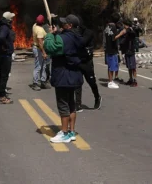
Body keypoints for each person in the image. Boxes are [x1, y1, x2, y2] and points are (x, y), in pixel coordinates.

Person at [44, 15, 83, 144]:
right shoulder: (77, 37)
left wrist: (50, 35)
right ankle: (72, 131)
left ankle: (64, 132)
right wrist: (58, 32)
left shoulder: (63, 39)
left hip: (63, 75)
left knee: (63, 105)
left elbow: (50, 48)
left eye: (65, 24)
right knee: (72, 104)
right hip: (74, 75)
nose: (62, 25)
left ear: (70, 26)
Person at [74, 16, 101, 111]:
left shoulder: (88, 33)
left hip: (87, 62)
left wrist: (74, 35)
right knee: (77, 83)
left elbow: (82, 42)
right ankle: (78, 104)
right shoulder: (75, 32)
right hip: (78, 61)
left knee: (91, 82)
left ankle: (97, 97)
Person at [0, 11, 15, 104]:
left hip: (3, 55)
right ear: (9, 19)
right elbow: (2, 37)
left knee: (2, 75)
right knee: (4, 76)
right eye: (12, 18)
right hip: (5, 56)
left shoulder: (2, 26)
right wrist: (6, 46)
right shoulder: (5, 27)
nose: (13, 20)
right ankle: (1, 96)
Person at [31, 14, 49, 91]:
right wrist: (44, 53)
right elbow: (40, 43)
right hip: (39, 49)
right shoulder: (40, 31)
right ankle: (35, 83)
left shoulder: (34, 25)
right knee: (38, 66)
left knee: (44, 66)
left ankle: (43, 81)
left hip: (38, 48)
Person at [103, 14, 121, 89]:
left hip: (108, 48)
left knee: (110, 66)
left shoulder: (107, 26)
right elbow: (114, 38)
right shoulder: (113, 27)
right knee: (112, 66)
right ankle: (110, 82)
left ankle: (110, 80)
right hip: (112, 49)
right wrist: (121, 33)